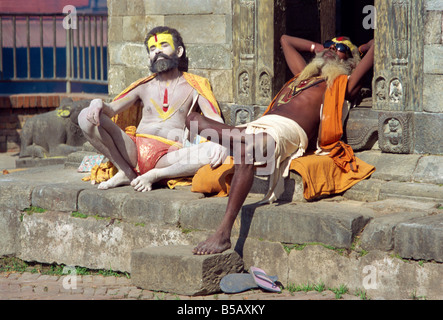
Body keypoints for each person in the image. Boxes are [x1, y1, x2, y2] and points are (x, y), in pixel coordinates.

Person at [186, 35, 375, 255]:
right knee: (191, 119)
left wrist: (358, 50)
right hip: (260, 124)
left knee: (247, 152)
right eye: (328, 45)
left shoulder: (344, 83)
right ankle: (237, 142)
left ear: (349, 62)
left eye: (339, 48)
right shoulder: (301, 76)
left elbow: (377, 45)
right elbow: (285, 40)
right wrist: (318, 48)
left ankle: (223, 233)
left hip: (288, 131)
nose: (331, 49)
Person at [78, 26, 227, 192]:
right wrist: (97, 103)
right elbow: (111, 110)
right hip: (132, 150)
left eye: (164, 45)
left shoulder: (195, 85)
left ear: (178, 51)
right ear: (149, 57)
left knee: (218, 150)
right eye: (153, 49)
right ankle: (126, 172)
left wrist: (221, 141)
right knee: (85, 116)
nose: (158, 51)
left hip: (169, 155)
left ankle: (156, 175)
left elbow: (213, 117)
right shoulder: (143, 86)